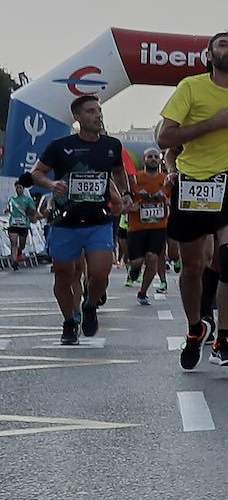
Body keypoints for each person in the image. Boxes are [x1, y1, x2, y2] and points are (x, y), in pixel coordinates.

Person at [157, 30, 228, 370]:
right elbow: (165, 136)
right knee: (192, 268)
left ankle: (224, 339)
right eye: (223, 45)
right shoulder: (190, 87)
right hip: (193, 182)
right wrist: (211, 124)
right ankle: (194, 329)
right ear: (209, 55)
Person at [30, 96, 127, 345]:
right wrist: (52, 184)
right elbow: (36, 173)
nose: (98, 116)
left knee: (100, 273)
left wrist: (125, 195)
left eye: (99, 111)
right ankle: (69, 322)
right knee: (63, 275)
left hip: (99, 221)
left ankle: (90, 305)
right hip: (66, 221)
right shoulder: (60, 146)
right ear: (77, 117)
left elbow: (118, 173)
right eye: (91, 111)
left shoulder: (112, 145)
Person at [128, 147, 172, 303]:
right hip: (136, 227)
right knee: (137, 261)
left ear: (160, 160)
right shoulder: (134, 179)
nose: (153, 159)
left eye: (155, 156)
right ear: (143, 160)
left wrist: (168, 202)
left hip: (159, 226)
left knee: (153, 258)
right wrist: (130, 205)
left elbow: (173, 198)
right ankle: (134, 270)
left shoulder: (166, 179)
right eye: (149, 157)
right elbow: (126, 197)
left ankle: (143, 292)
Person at [6, 179, 38, 270]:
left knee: (22, 244)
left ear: (23, 189)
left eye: (20, 187)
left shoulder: (28, 200)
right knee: (13, 242)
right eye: (17, 187)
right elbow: (8, 208)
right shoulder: (12, 199)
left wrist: (29, 212)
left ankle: (19, 252)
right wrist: (7, 210)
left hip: (24, 224)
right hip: (13, 224)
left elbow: (32, 211)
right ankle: (14, 261)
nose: (18, 189)